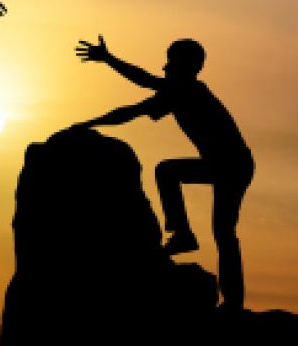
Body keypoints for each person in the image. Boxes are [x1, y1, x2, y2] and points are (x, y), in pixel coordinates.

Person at [72, 35, 255, 310]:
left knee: (172, 177)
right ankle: (231, 297)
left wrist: (108, 62)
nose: (165, 66)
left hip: (232, 164)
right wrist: (92, 122)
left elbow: (142, 88)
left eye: (171, 61)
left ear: (184, 65)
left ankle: (184, 236)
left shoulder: (187, 90)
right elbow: (135, 108)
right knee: (223, 231)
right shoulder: (179, 92)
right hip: (234, 164)